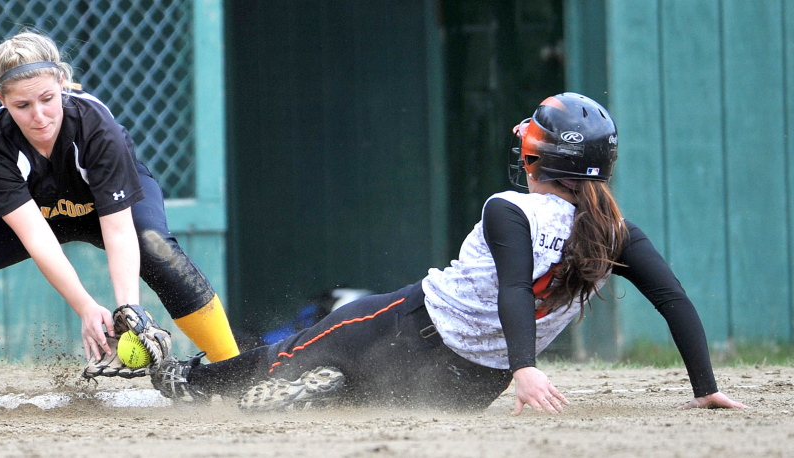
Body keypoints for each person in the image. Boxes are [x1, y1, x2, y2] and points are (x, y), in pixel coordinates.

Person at [150, 92, 747, 414]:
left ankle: (186, 382)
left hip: (407, 329)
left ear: (543, 159)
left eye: (535, 135)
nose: (525, 139)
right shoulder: (618, 232)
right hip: (470, 384)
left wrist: (527, 369)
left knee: (288, 353)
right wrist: (704, 385)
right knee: (363, 402)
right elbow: (673, 300)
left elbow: (514, 288)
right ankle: (326, 392)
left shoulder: (509, 208)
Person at [0, 31, 238, 412]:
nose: (39, 115)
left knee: (157, 248)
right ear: (1, 100)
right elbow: (37, 237)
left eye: (47, 99)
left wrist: (128, 309)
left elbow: (118, 230)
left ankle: (233, 370)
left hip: (100, 206)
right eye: (22, 105)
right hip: (37, 209)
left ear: (62, 82)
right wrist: (86, 307)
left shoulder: (97, 127)